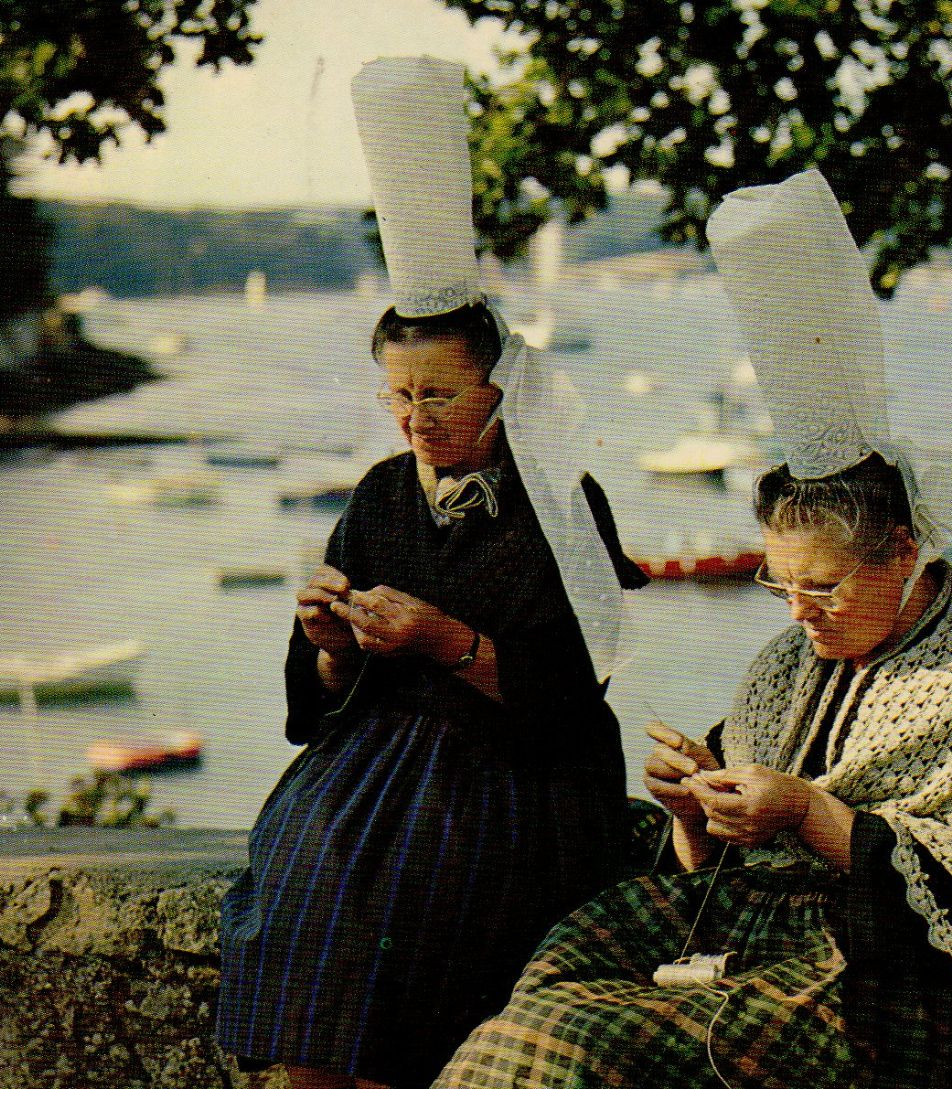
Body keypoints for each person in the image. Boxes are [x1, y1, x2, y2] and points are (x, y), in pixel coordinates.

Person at [435, 168, 952, 1089]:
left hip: (899, 980)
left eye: (820, 586)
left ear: (903, 550)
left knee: (574, 1046)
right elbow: (705, 853)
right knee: (543, 987)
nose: (795, 612)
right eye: (776, 581)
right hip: (748, 925)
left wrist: (809, 812)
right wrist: (691, 808)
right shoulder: (795, 658)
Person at [214, 57, 648, 1089]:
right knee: (296, 873)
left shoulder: (560, 505)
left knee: (406, 911)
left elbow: (567, 701)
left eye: (440, 396)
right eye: (398, 395)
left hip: (516, 782)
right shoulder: (375, 494)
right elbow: (310, 710)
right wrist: (327, 652)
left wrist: (449, 644)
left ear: (501, 394)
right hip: (375, 767)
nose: (416, 419)